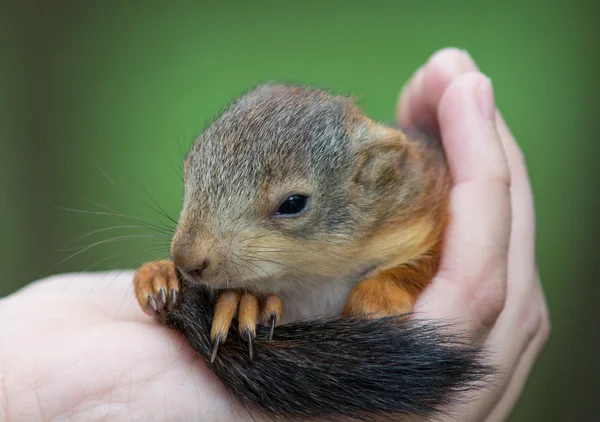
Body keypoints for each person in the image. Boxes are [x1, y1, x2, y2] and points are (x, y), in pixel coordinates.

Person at [0, 48, 550, 422]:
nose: (188, 250)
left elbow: (432, 245)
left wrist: (399, 282)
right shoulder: (218, 268)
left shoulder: (405, 200)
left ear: (372, 177)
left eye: (288, 206)